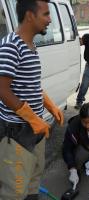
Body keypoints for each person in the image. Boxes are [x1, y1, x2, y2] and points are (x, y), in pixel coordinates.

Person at [0, 1, 64, 200]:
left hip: (35, 130)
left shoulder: (31, 45)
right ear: (30, 15)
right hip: (17, 132)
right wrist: (33, 118)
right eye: (45, 14)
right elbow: (2, 89)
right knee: (15, 189)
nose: (50, 19)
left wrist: (50, 106)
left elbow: (32, 85)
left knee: (33, 180)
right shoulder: (11, 46)